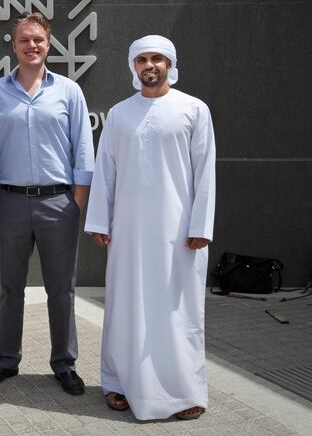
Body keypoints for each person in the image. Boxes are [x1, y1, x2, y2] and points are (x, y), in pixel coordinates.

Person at [84, 34, 216, 421]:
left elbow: (205, 171)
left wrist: (201, 225)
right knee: (125, 307)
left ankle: (185, 390)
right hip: (126, 231)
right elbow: (104, 171)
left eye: (158, 58)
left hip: (179, 234)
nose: (150, 65)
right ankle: (118, 382)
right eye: (143, 59)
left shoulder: (194, 110)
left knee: (179, 310)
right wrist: (98, 220)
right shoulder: (120, 113)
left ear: (171, 65)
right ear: (133, 66)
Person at [0, 13, 95, 395]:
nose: (32, 46)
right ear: (13, 46)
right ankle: (5, 360)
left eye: (39, 40)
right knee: (10, 288)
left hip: (58, 203)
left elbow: (83, 151)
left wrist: (76, 203)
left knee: (61, 289)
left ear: (49, 44)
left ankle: (64, 363)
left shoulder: (69, 92)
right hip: (10, 202)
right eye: (24, 40)